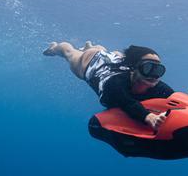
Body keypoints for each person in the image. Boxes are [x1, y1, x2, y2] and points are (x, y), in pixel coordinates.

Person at [43, 41, 174, 131]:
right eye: (148, 68)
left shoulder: (151, 80)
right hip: (89, 61)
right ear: (134, 68)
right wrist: (149, 117)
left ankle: (90, 46)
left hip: (112, 59)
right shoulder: (114, 84)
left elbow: (173, 95)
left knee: (109, 53)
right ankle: (55, 47)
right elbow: (126, 102)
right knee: (70, 53)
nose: (153, 75)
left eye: (158, 70)